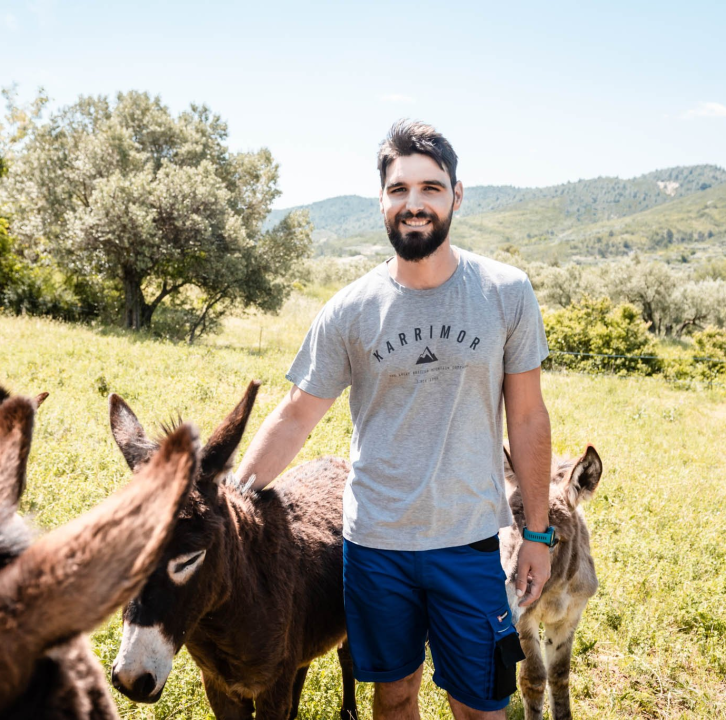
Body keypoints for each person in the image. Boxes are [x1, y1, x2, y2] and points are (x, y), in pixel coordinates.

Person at [236, 120, 552, 720]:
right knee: (394, 695)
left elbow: (529, 418)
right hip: (376, 545)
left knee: (481, 704)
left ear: (457, 195)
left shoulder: (506, 293)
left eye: (431, 188)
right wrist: (232, 499)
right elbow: (297, 415)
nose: (415, 203)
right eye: (400, 188)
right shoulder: (350, 310)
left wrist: (536, 534)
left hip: (470, 541)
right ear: (382, 199)